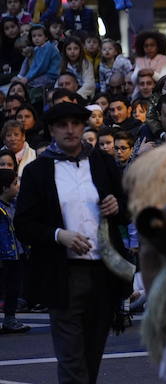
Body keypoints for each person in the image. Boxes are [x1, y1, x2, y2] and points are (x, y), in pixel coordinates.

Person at [14, 102, 131, 384]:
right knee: (71, 362)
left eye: (76, 124)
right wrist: (58, 234)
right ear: (52, 130)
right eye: (62, 125)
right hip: (63, 274)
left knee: (92, 357)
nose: (70, 130)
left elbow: (128, 208)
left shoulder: (102, 163)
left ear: (84, 127)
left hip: (103, 272)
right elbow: (24, 225)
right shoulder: (38, 171)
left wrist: (118, 205)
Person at [0, 167, 28, 333]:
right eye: (14, 183)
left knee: (13, 288)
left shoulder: (15, 204)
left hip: (17, 253)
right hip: (5, 255)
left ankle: (10, 319)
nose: (17, 186)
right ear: (4, 188)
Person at [14, 23, 61, 89]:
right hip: (43, 74)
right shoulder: (37, 48)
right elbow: (32, 64)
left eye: (39, 35)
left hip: (52, 75)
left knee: (30, 83)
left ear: (46, 37)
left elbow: (41, 66)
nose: (36, 38)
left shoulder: (48, 48)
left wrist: (27, 78)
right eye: (34, 36)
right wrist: (22, 76)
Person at [61, 36, 96, 101]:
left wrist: (75, 96)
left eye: (76, 48)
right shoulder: (63, 65)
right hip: (66, 95)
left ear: (80, 50)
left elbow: (89, 84)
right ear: (65, 51)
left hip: (82, 96)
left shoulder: (86, 63)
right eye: (69, 49)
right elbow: (59, 83)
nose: (72, 52)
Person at [0, 17, 24, 85]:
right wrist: (3, 65)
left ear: (18, 26)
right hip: (7, 73)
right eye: (7, 29)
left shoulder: (24, 42)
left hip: (20, 72)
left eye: (13, 27)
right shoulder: (3, 44)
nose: (11, 30)